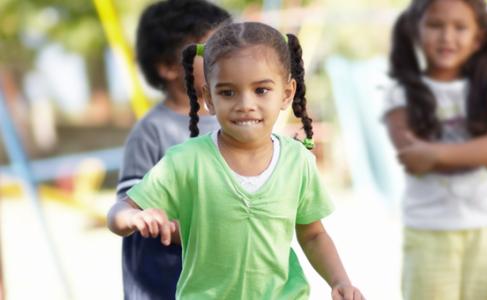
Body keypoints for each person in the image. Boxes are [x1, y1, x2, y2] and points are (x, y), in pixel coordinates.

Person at [108, 22, 364, 300]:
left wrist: (339, 281)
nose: (245, 104)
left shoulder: (298, 161)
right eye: (228, 92)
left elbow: (313, 234)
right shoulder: (186, 161)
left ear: (287, 94)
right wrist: (135, 216)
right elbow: (118, 213)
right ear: (209, 98)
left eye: (261, 90)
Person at [383, 0, 487, 299]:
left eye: (460, 27)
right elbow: (414, 159)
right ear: (416, 31)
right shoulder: (400, 93)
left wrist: (435, 153)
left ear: (478, 38)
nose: (447, 37)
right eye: (435, 25)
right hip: (428, 232)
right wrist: (481, 154)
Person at [114, 1, 231, 299]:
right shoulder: (152, 131)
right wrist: (142, 218)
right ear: (167, 67)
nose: (227, 57)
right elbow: (125, 208)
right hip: (167, 281)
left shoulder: (238, 120)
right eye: (210, 49)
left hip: (225, 277)